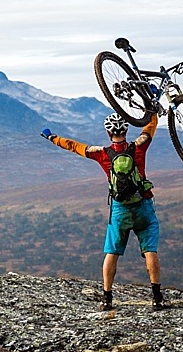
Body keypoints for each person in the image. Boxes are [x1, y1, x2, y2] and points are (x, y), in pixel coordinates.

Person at [41, 112, 166, 311]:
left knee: (112, 252)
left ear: (108, 133)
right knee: (150, 249)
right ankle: (157, 297)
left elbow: (74, 146)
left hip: (120, 210)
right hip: (143, 205)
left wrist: (51, 137)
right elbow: (150, 127)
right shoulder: (139, 146)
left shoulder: (102, 153)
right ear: (125, 129)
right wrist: (151, 109)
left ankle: (107, 299)